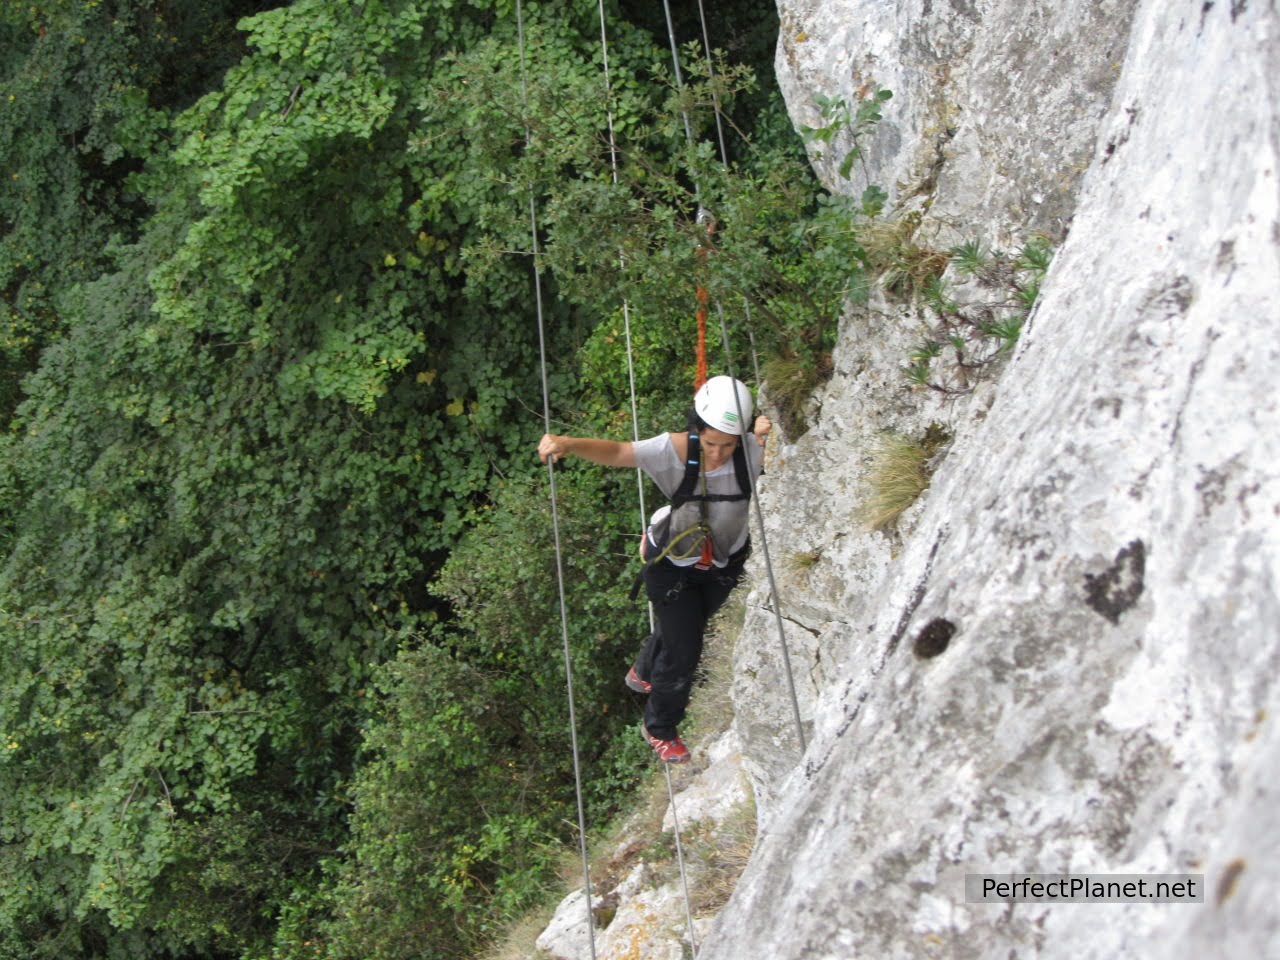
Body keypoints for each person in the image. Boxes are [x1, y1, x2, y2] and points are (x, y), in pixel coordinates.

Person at [538, 376, 770, 763]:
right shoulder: (672, 450)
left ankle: (645, 665)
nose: (718, 454)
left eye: (728, 444)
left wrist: (764, 431)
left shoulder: (752, 450)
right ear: (696, 429)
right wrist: (568, 444)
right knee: (685, 650)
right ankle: (659, 726)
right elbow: (618, 452)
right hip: (673, 567)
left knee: (687, 625)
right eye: (711, 443)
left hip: (722, 563)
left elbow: (774, 435)